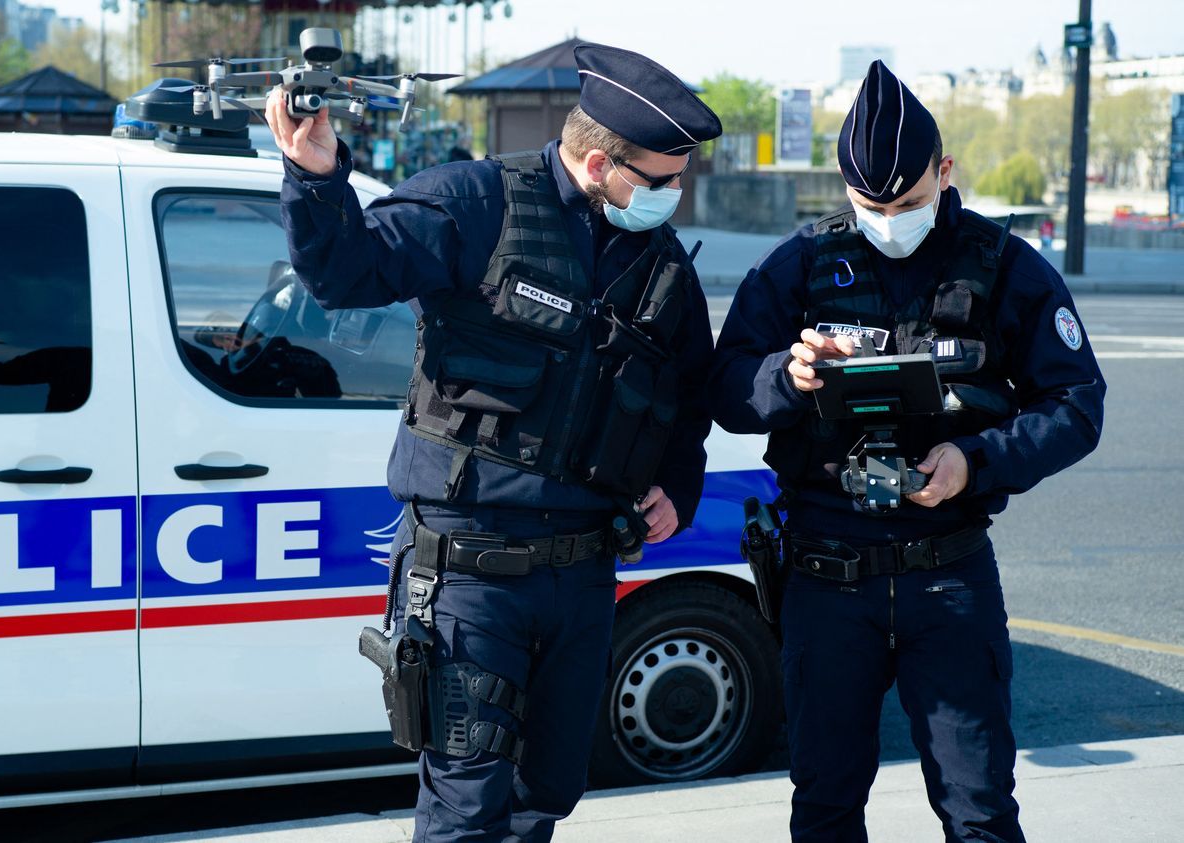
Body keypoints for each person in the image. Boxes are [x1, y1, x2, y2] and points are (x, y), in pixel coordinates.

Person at [267, 43, 721, 842]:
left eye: (680, 180)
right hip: (469, 576)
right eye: (658, 181)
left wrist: (678, 485)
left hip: (581, 578)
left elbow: (689, 397)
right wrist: (315, 178)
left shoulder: (662, 266)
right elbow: (345, 273)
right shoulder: (474, 204)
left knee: (543, 795)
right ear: (594, 162)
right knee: (465, 807)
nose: (672, 197)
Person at [708, 60, 1106, 842]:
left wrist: (976, 462)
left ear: (945, 170)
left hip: (947, 574)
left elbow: (1076, 402)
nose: (890, 217)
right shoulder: (799, 265)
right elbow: (723, 388)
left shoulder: (1004, 267)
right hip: (826, 577)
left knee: (980, 809)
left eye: (910, 200)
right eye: (871, 204)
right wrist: (784, 379)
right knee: (824, 806)